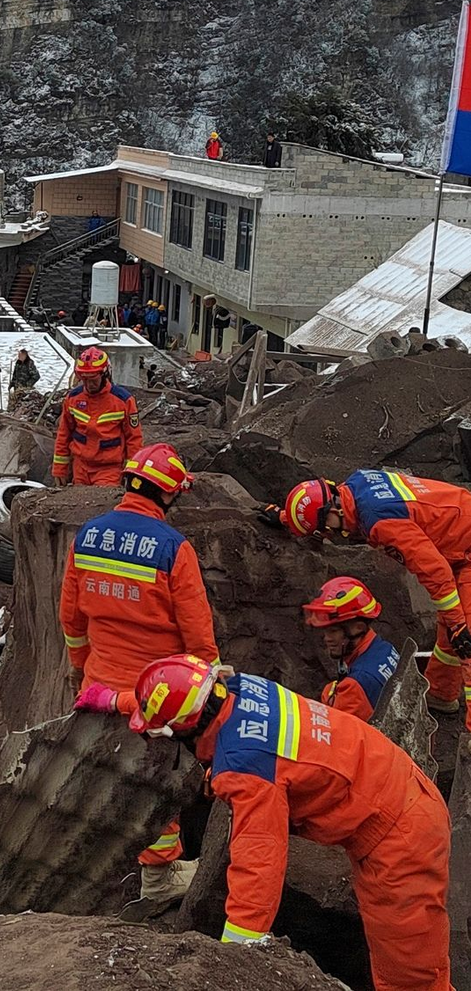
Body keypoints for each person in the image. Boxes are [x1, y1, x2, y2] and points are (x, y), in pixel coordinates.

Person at [130, 654, 454, 991]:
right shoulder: (241, 688)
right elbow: (195, 708)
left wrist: (232, 955)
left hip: (400, 835)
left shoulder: (247, 769)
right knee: (404, 965)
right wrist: (116, 700)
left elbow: (259, 864)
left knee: (411, 980)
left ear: (186, 731)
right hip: (396, 792)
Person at [63, 444, 217, 913]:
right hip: (157, 695)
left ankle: (91, 862)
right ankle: (158, 875)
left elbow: (71, 621)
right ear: (168, 495)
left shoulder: (87, 535)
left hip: (100, 684)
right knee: (158, 783)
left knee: (104, 771)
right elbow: (199, 637)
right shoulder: (173, 548)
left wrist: (82, 674)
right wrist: (208, 694)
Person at [270, 470, 471, 725]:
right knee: (450, 636)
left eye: (325, 527)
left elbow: (435, 571)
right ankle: (440, 695)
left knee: (466, 641)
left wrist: (458, 624)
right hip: (458, 525)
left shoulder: (380, 522)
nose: (328, 534)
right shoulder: (355, 485)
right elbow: (317, 508)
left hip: (463, 548)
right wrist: (285, 517)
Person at [302, 577, 399, 722]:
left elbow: (334, 731)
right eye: (325, 631)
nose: (326, 638)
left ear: (358, 628)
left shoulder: (354, 686)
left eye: (333, 631)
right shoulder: (385, 649)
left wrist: (330, 694)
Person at [52, 346, 143, 487]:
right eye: (84, 379)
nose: (89, 384)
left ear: (104, 374)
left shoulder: (123, 401)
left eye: (93, 379)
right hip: (80, 467)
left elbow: (134, 439)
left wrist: (131, 471)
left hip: (109, 469)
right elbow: (64, 434)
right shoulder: (73, 399)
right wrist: (60, 468)